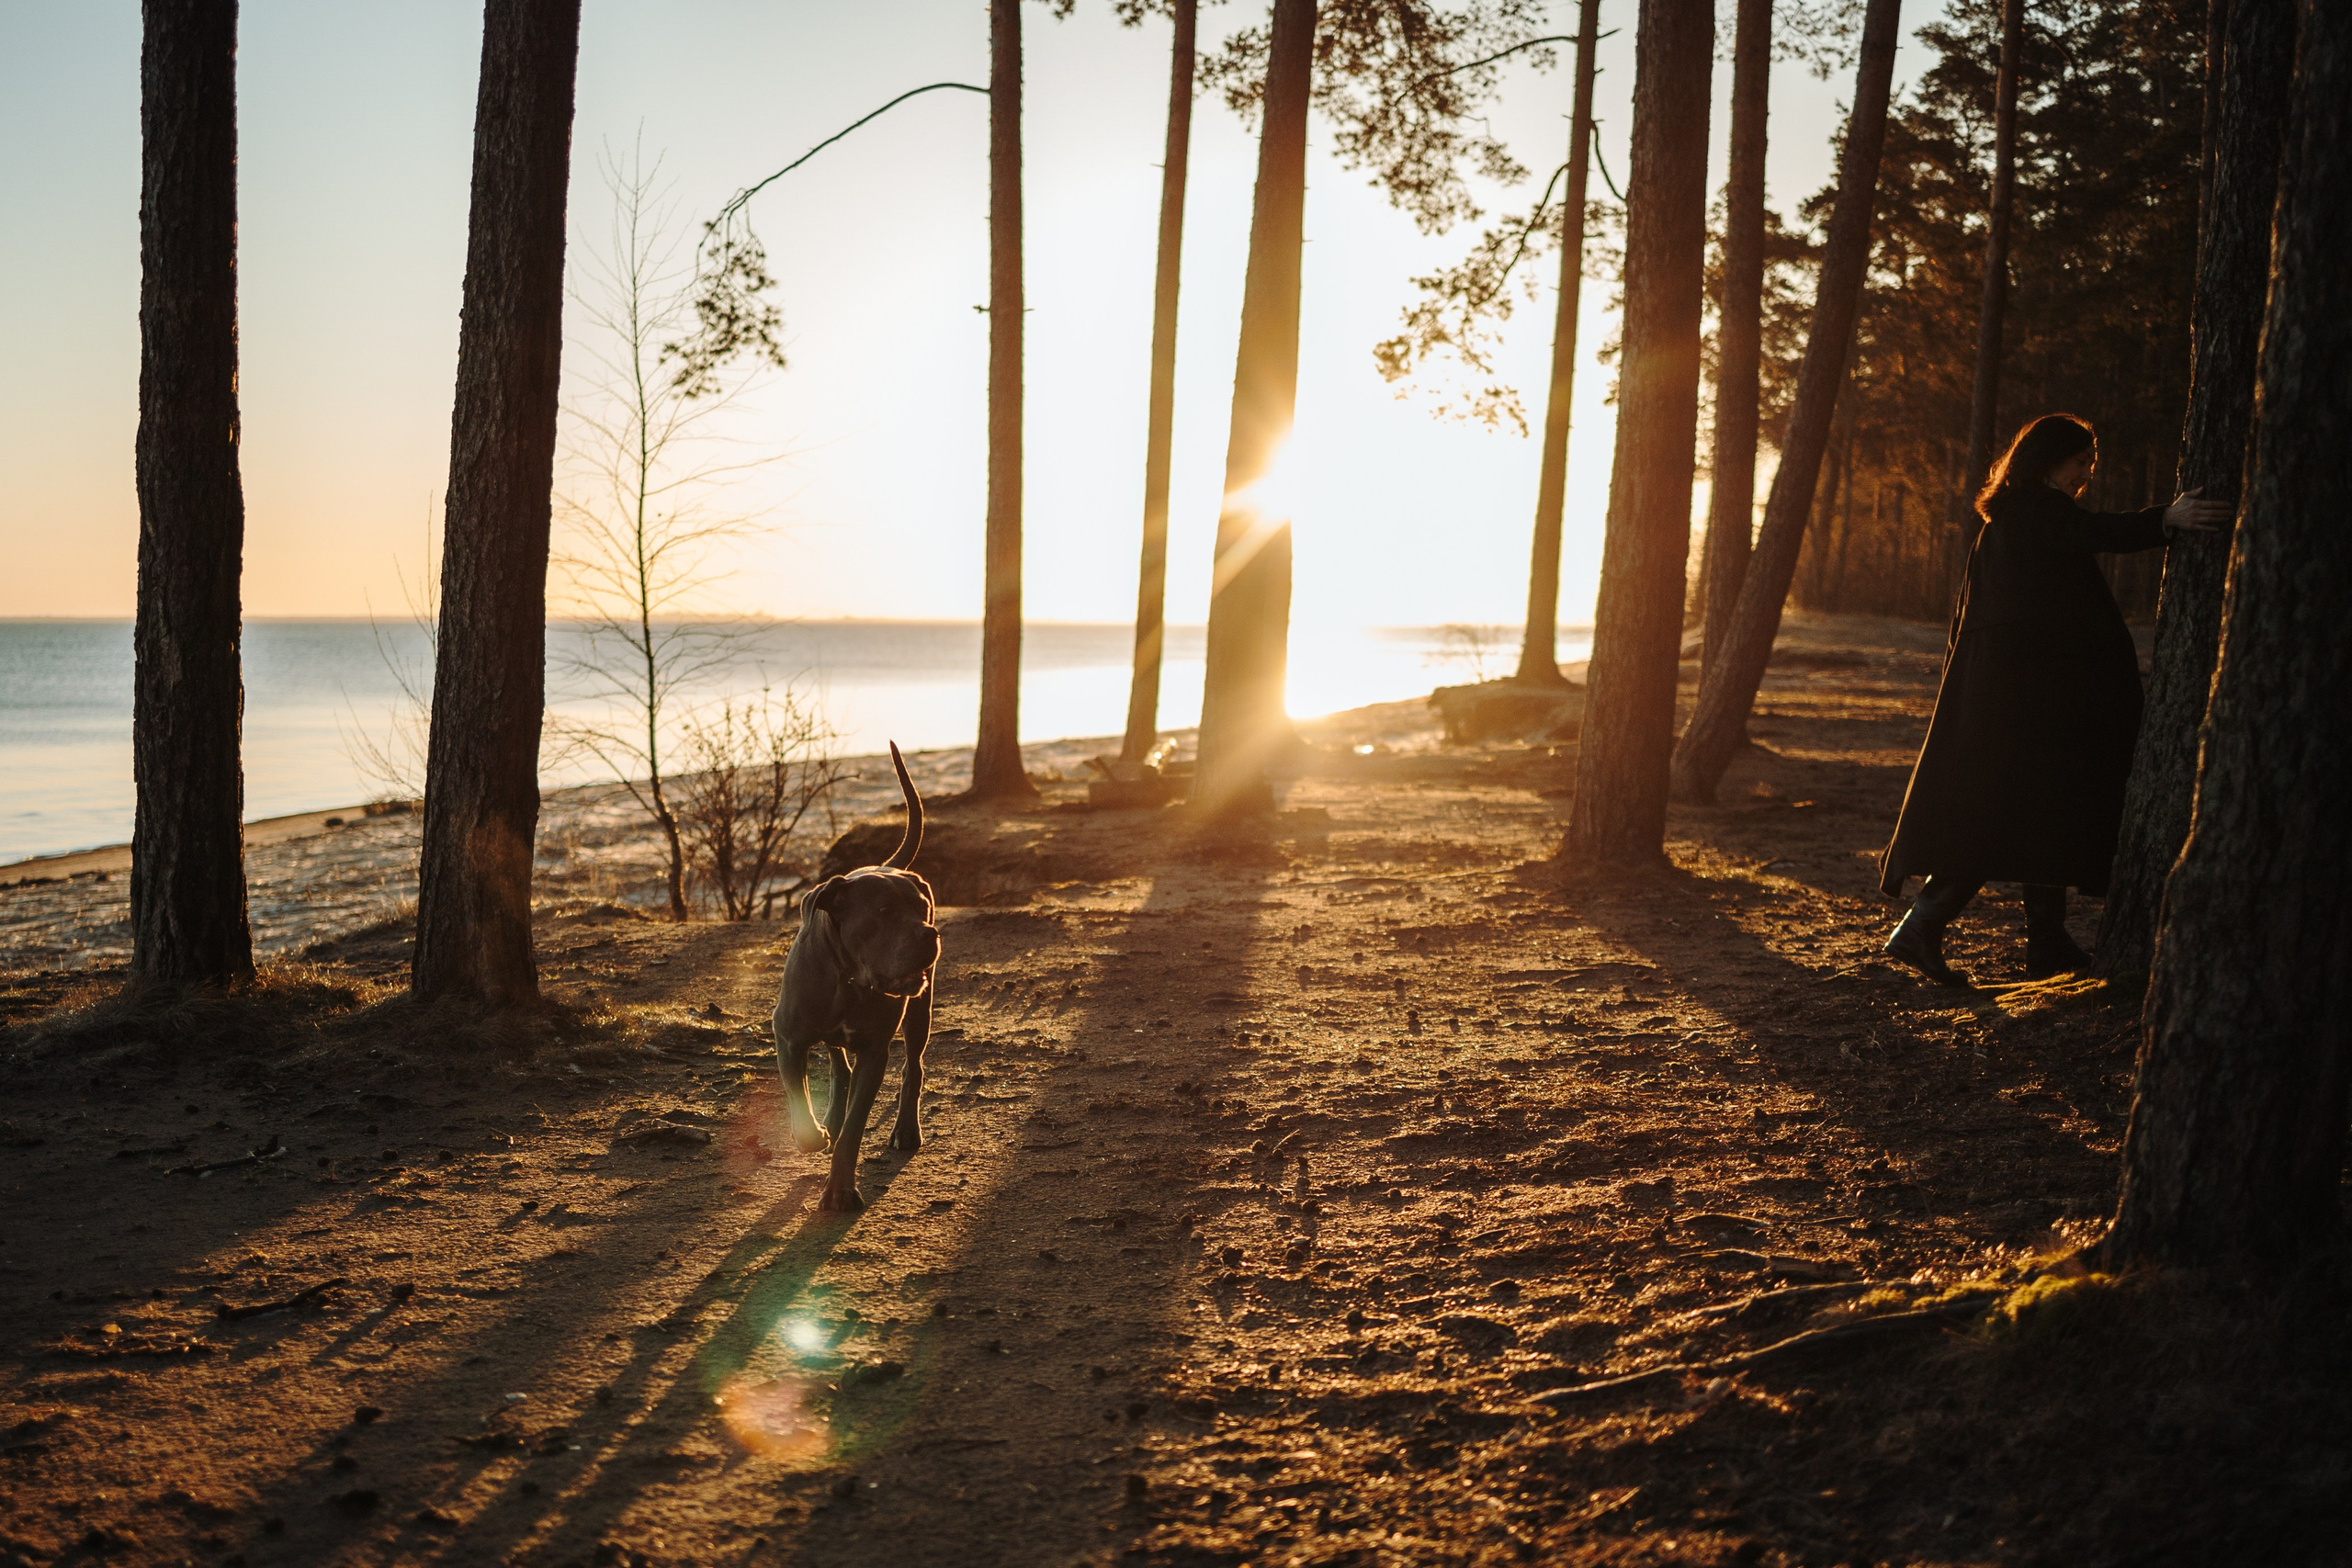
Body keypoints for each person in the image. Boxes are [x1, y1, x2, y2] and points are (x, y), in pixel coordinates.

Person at [1878, 414, 2229, 986]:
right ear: (2047, 458)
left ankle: (2047, 943)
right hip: (2018, 698)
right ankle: (1922, 925)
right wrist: (2166, 519)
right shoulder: (2032, 507)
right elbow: (2091, 532)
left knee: (2039, 808)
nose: (2085, 474)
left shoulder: (2015, 513)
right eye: (2079, 462)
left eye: (2089, 464)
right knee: (2002, 811)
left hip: (2021, 693)